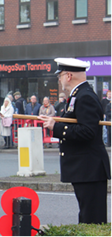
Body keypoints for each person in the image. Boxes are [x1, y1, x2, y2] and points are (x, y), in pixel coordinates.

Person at [40, 58, 111, 224]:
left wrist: (56, 127)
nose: (59, 79)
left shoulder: (84, 96)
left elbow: (88, 131)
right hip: (84, 168)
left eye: (61, 75)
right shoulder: (78, 95)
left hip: (89, 168)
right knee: (86, 217)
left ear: (69, 76)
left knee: (92, 219)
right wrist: (54, 122)